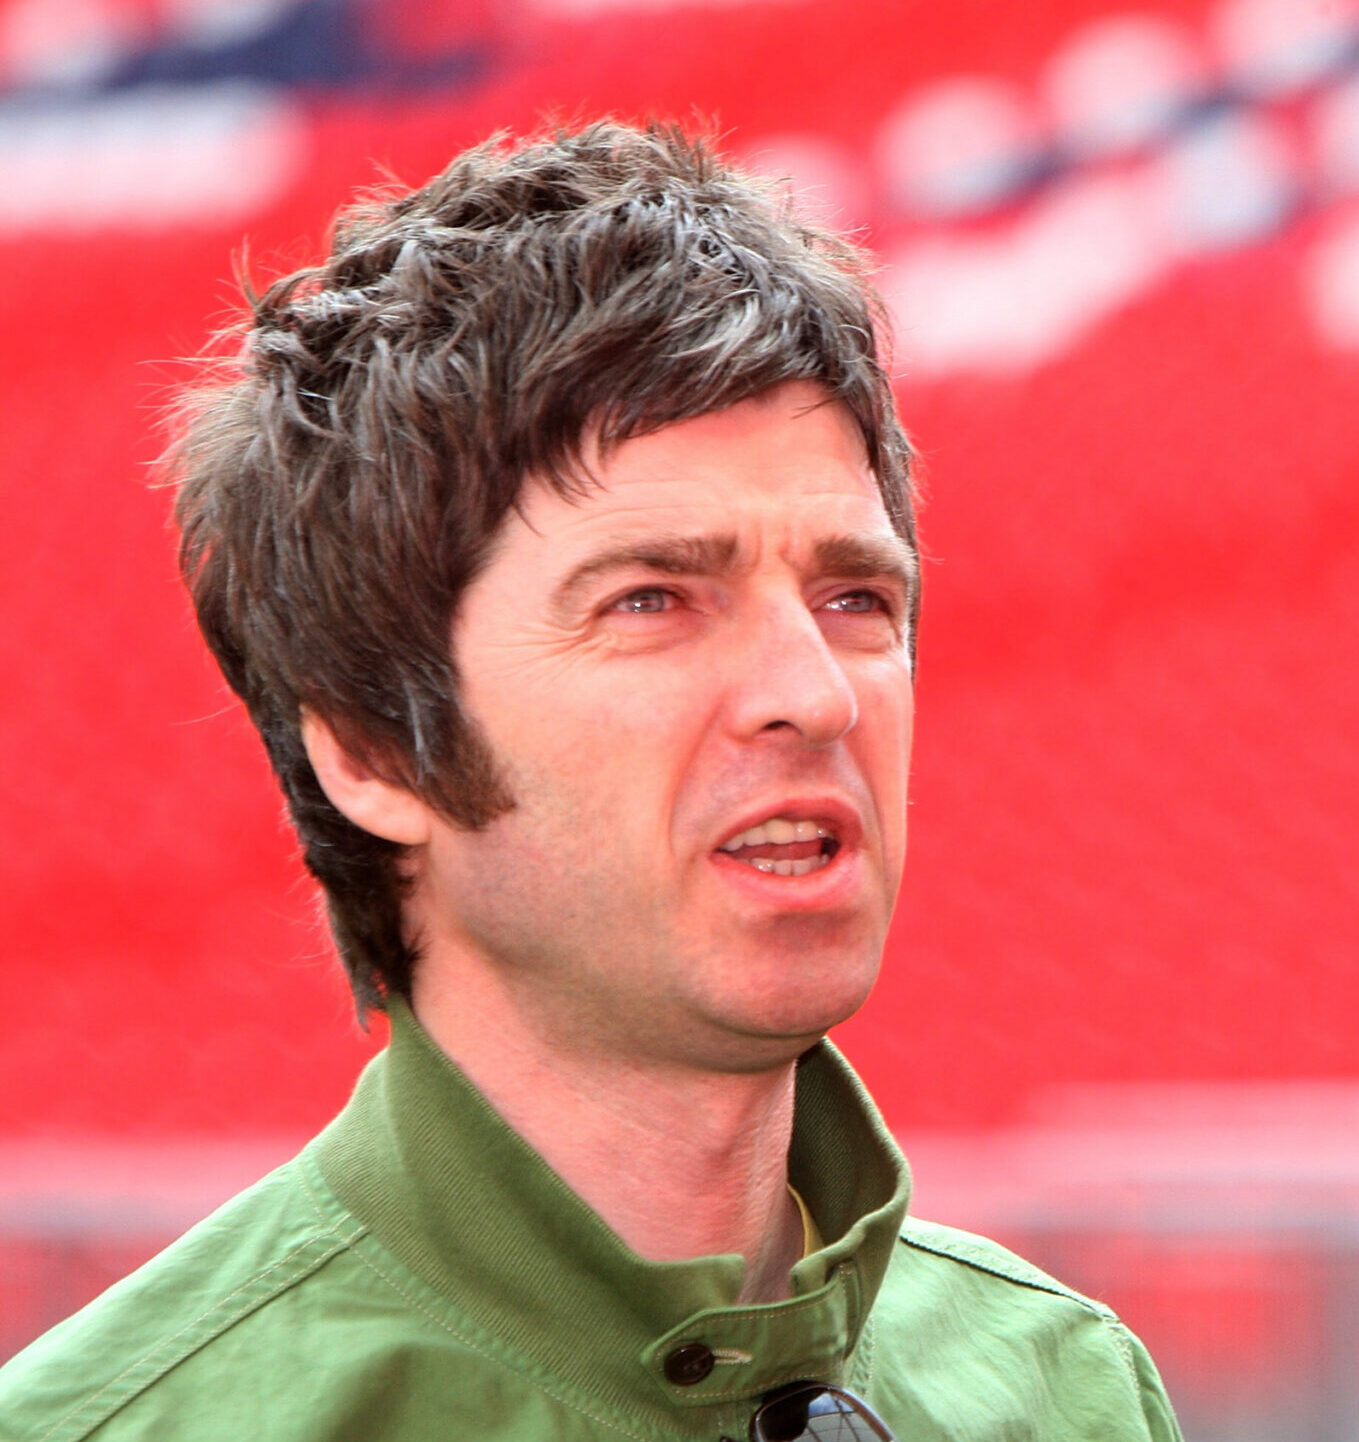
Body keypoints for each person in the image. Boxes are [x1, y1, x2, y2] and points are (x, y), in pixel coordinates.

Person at [0, 122, 1181, 1442]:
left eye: (855, 595)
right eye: (655, 598)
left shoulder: (1065, 1391)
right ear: (378, 751)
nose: (817, 690)